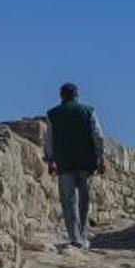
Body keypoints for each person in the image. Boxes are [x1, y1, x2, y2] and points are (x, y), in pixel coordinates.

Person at [44, 82, 106, 249]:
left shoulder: (53, 114)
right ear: (77, 95)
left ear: (61, 96)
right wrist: (100, 157)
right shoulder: (88, 111)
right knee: (84, 201)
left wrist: (50, 160)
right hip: (86, 163)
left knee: (69, 201)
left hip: (64, 164)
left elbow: (49, 139)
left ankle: (74, 238)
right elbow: (98, 136)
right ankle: (81, 234)